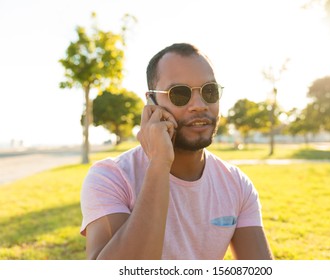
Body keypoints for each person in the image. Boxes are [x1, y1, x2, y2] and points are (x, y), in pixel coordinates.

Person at [80, 43, 273, 260]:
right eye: (179, 94)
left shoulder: (236, 183)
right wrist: (159, 164)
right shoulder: (110, 177)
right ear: (151, 101)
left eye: (209, 91)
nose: (199, 105)